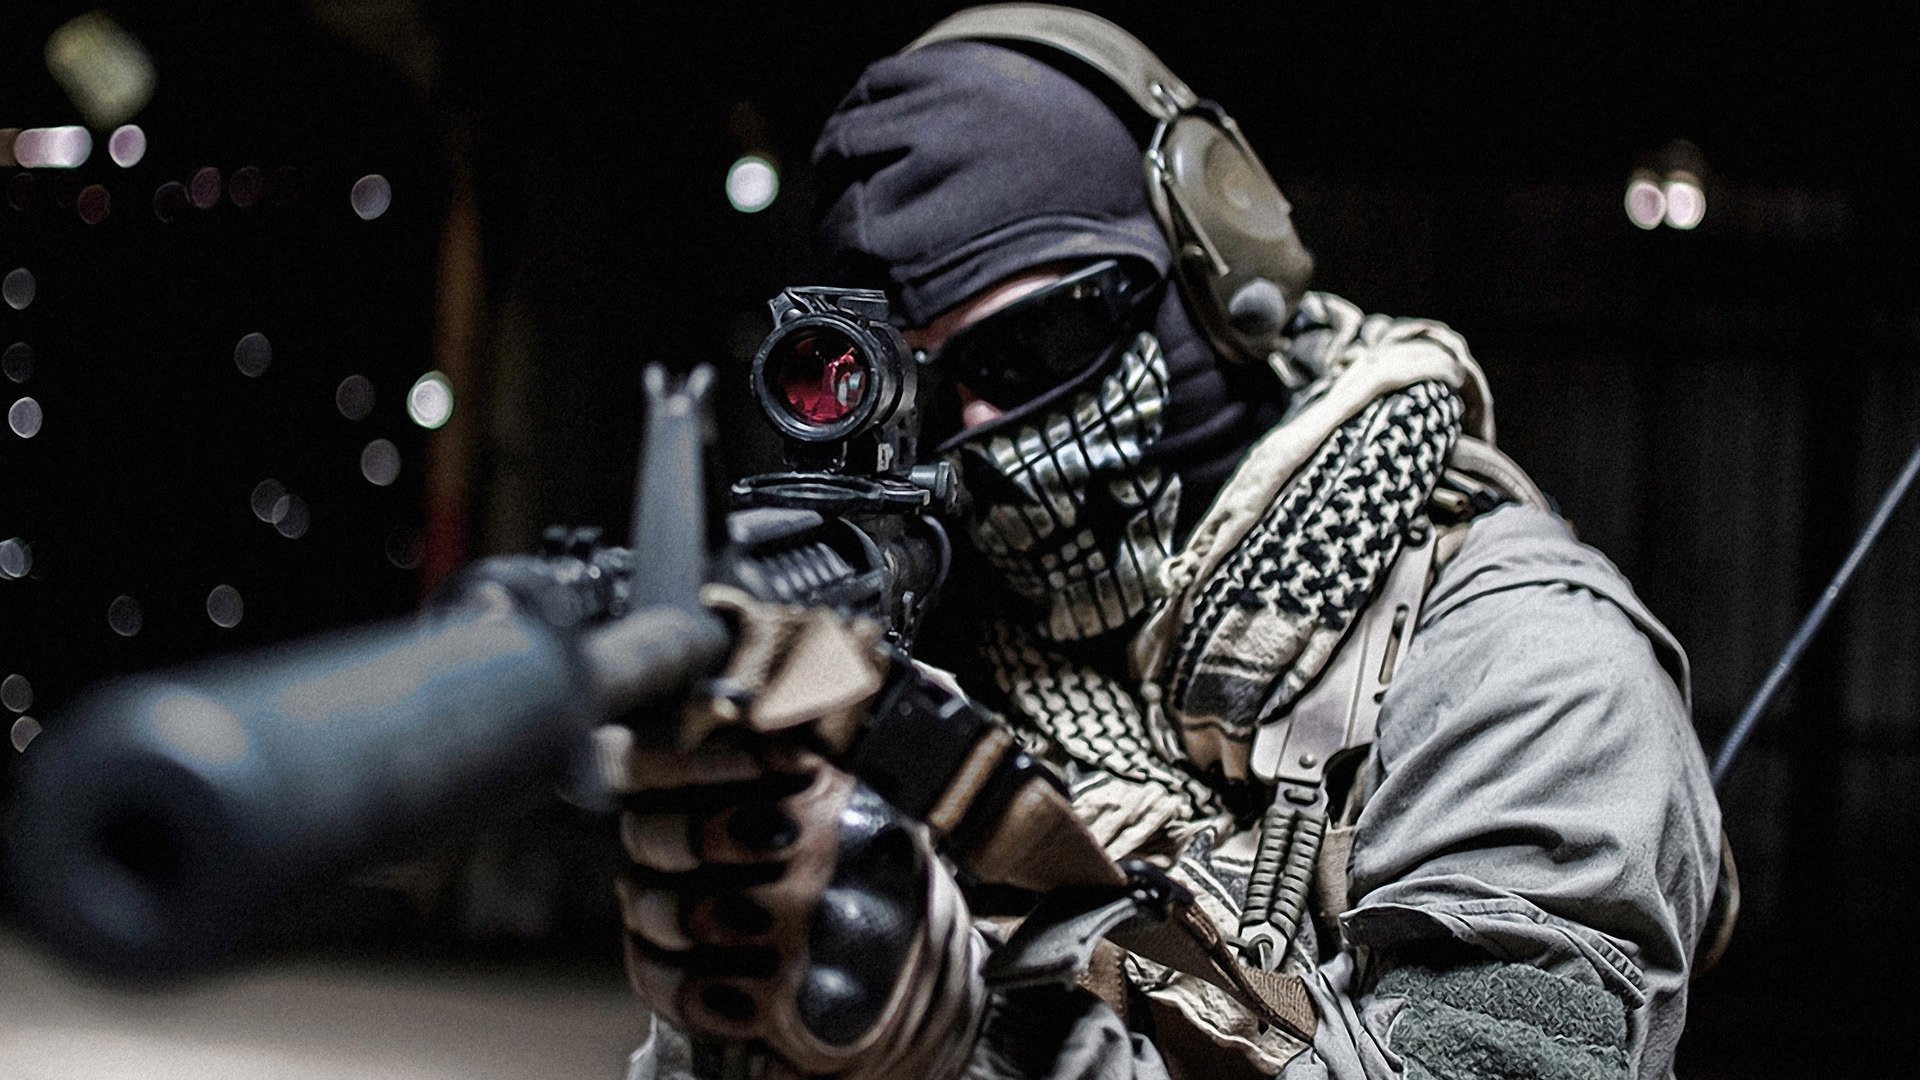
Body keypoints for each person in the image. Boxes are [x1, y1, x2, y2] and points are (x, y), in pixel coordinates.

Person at [604, 8, 1721, 1079]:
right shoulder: (938, 639)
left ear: (1213, 270)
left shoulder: (1532, 671)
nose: (985, 432)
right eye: (928, 393)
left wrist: (967, 1032)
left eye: (1032, 344)